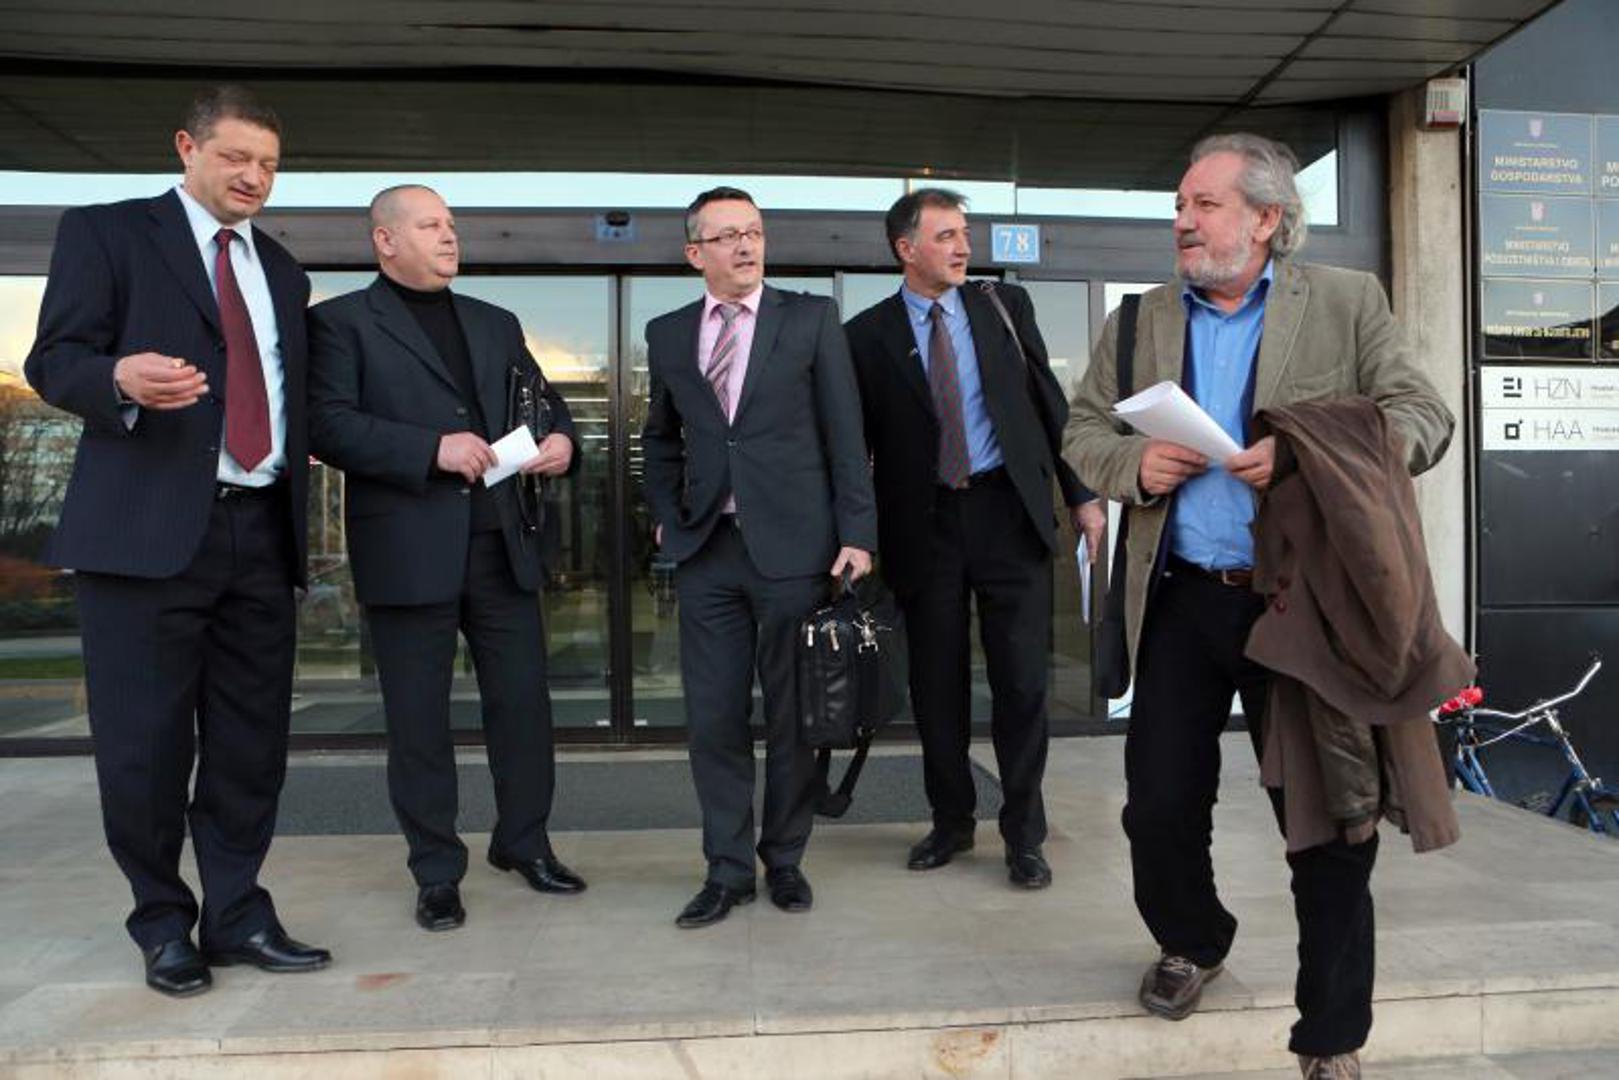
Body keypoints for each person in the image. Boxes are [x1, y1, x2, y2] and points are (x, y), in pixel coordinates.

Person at [1063, 133, 1456, 1079]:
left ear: (1267, 219)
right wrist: (1133, 463)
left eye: (1203, 205)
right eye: (1179, 206)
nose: (1182, 222)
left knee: (1328, 825)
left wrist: (1309, 453)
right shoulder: (1139, 320)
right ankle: (1192, 939)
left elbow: (1423, 418)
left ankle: (1330, 1036)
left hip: (1301, 607)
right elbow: (1080, 429)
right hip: (1181, 602)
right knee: (1157, 807)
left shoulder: (1346, 302)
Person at [23, 85, 330, 996]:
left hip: (260, 531)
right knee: (145, 748)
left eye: (268, 164)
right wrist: (118, 375)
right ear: (186, 148)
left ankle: (238, 913)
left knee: (249, 745)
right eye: (236, 157)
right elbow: (53, 360)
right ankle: (162, 922)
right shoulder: (108, 232)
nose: (254, 177)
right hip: (144, 537)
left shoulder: (282, 271)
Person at [307, 184, 585, 934]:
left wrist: (563, 441)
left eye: (452, 225)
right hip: (407, 552)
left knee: (523, 708)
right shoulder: (339, 324)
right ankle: (435, 871)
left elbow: (543, 404)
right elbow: (327, 425)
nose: (449, 236)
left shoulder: (495, 322)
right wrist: (429, 449)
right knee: (418, 721)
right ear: (385, 240)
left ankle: (524, 843)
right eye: (431, 225)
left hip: (502, 547)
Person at [844, 188, 1105, 887]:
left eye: (964, 234)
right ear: (906, 249)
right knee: (937, 688)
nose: (963, 247)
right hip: (922, 526)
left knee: (1022, 684)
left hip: (1007, 514)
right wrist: (854, 532)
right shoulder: (865, 336)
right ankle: (951, 821)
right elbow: (854, 445)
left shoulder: (1003, 307)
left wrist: (1081, 495)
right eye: (947, 236)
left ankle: (1024, 836)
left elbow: (1049, 404)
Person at [641, 187, 877, 928]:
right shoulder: (667, 333)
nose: (745, 246)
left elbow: (847, 434)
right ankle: (726, 869)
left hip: (797, 550)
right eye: (726, 236)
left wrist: (858, 533)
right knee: (712, 718)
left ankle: (785, 859)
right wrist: (666, 515)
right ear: (695, 253)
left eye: (754, 232)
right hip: (707, 551)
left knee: (793, 718)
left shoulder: (809, 319)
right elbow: (658, 438)